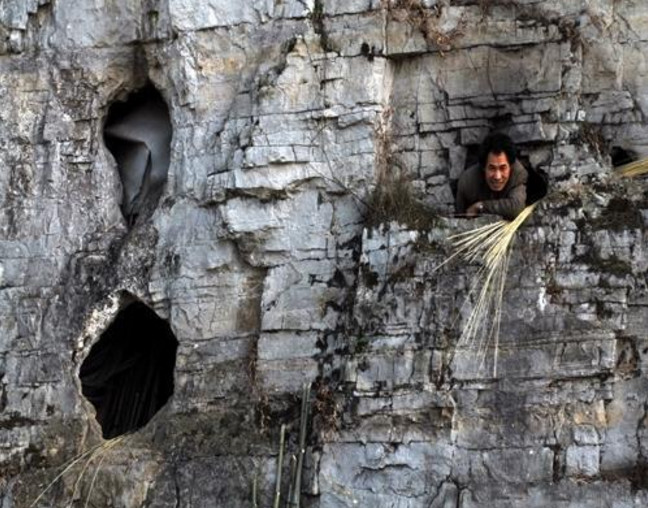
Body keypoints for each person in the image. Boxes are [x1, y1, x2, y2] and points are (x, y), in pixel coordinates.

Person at [455, 133, 528, 220]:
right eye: (492, 168)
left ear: (511, 167)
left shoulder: (518, 174)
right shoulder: (467, 182)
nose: (497, 176)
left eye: (503, 168)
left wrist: (481, 206)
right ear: (483, 167)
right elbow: (459, 216)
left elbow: (516, 207)